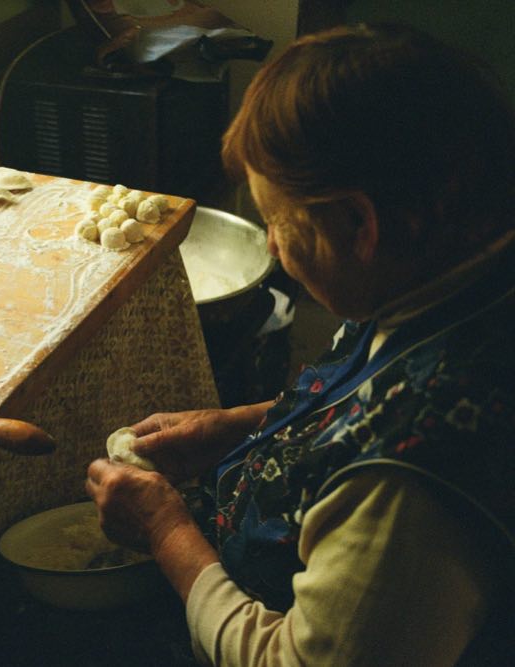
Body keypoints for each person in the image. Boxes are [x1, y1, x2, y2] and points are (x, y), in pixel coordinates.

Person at [86, 23, 514, 666]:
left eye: (280, 223)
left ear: (358, 224)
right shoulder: (452, 263)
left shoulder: (411, 495)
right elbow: (371, 389)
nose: (274, 250)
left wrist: (165, 532)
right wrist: (235, 425)